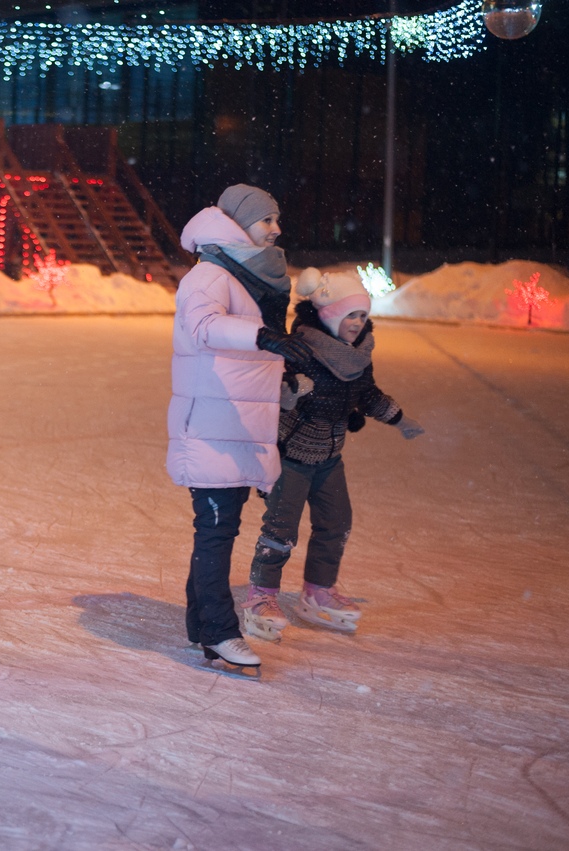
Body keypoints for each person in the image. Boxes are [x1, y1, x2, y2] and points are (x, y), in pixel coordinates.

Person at [167, 184, 312, 673]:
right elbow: (205, 328)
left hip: (233, 422)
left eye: (277, 219)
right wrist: (266, 338)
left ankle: (199, 627)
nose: (276, 229)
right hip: (209, 426)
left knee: (215, 530)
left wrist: (284, 382)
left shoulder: (248, 275)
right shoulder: (209, 273)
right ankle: (220, 633)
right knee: (216, 533)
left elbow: (245, 356)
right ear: (237, 222)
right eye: (266, 220)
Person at [241, 268, 424, 640]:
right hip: (291, 455)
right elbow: (270, 389)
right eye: (350, 314)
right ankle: (261, 595)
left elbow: (367, 394)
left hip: (329, 457)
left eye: (362, 315)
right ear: (328, 315)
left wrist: (399, 419)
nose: (358, 323)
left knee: (337, 523)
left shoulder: (357, 357)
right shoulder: (302, 349)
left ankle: (318, 590)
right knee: (280, 531)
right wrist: (290, 390)